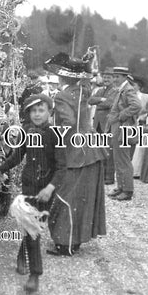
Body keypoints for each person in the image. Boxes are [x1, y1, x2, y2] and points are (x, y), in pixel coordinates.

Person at [0, 94, 66, 293]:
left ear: (49, 112)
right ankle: (35, 275)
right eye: (33, 111)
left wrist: (50, 187)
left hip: (47, 189)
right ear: (28, 113)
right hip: (29, 186)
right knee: (31, 227)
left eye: (41, 110)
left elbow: (63, 167)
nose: (37, 115)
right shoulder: (26, 131)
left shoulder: (56, 134)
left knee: (34, 228)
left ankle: (23, 256)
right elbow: (17, 156)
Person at [43, 52, 107, 255]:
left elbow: (68, 123)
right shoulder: (83, 91)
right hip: (92, 148)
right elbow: (89, 82)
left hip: (75, 151)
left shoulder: (62, 96)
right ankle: (75, 239)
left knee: (66, 196)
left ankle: (65, 243)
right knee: (82, 197)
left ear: (62, 77)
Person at [105, 67, 142, 201]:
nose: (115, 79)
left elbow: (137, 105)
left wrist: (121, 115)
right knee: (118, 159)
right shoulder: (122, 89)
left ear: (125, 77)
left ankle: (127, 190)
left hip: (124, 128)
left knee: (124, 160)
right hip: (118, 128)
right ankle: (121, 186)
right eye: (114, 76)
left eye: (118, 77)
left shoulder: (128, 89)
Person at [88, 67, 117, 184]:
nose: (106, 79)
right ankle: (101, 176)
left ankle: (109, 177)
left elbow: (110, 103)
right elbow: (90, 100)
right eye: (104, 77)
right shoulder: (100, 90)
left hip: (108, 124)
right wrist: (101, 99)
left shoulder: (116, 90)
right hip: (98, 124)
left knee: (108, 150)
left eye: (108, 77)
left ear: (113, 79)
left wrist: (99, 102)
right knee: (99, 149)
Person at [131, 76, 148, 178]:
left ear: (139, 86)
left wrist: (146, 121)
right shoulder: (126, 95)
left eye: (134, 85)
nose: (132, 87)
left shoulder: (147, 97)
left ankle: (137, 171)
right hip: (129, 123)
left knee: (139, 147)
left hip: (141, 123)